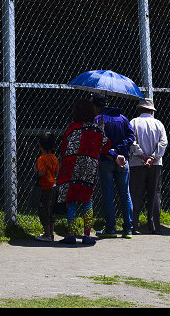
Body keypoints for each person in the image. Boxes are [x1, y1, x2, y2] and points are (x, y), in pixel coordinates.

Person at [56, 98, 119, 245]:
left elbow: (64, 147)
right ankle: (87, 235)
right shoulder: (97, 130)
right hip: (89, 167)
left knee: (70, 200)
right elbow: (106, 146)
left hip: (71, 166)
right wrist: (101, 130)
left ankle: (71, 234)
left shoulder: (72, 128)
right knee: (87, 200)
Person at [93, 96, 136, 239]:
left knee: (108, 194)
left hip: (106, 160)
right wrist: (119, 151)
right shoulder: (123, 119)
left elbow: (98, 141)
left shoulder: (98, 119)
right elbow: (131, 137)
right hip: (123, 160)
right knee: (125, 194)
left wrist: (112, 153)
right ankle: (128, 229)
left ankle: (110, 228)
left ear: (96, 106)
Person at [128, 98, 169, 234]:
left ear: (139, 109)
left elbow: (131, 141)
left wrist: (142, 155)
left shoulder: (133, 122)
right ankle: (154, 226)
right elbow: (163, 143)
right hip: (156, 164)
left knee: (135, 193)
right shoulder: (159, 124)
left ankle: (133, 225)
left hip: (136, 163)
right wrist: (153, 157)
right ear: (152, 110)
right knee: (155, 194)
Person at [35, 131, 59, 242]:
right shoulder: (54, 158)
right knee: (51, 210)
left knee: (43, 209)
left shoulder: (41, 159)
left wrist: (36, 170)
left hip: (45, 187)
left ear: (40, 145)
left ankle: (47, 234)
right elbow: (56, 171)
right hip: (54, 186)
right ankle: (51, 233)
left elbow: (42, 173)